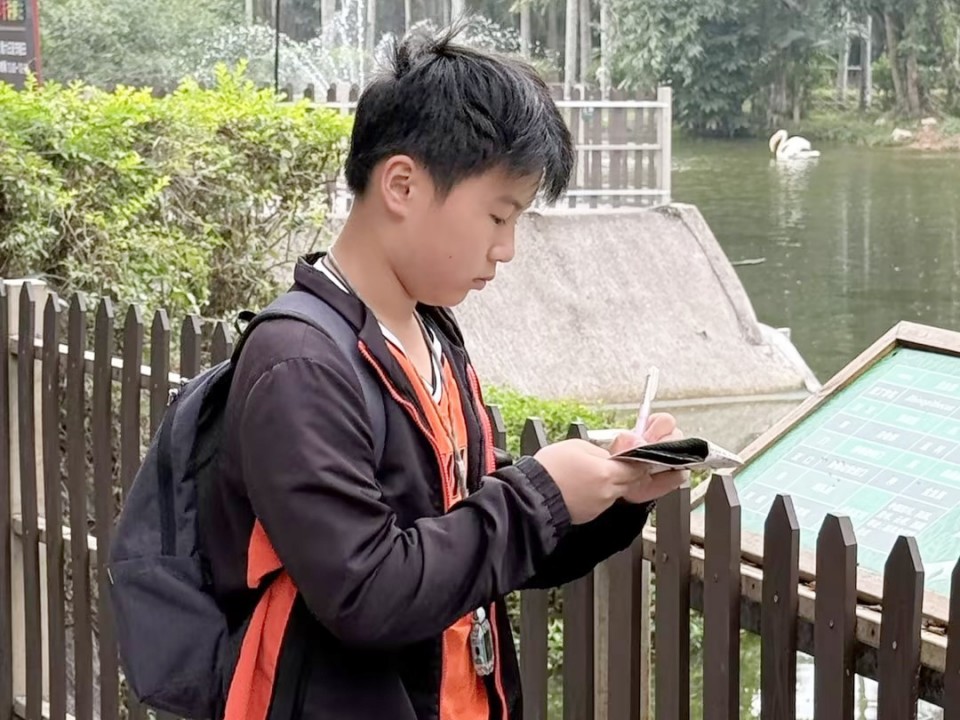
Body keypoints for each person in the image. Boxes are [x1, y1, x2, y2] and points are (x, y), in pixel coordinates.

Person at [199, 22, 688, 720]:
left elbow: (466, 546)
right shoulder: (300, 365)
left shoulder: (430, 333)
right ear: (402, 184)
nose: (507, 248)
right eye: (499, 216)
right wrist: (539, 495)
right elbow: (367, 592)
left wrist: (611, 495)